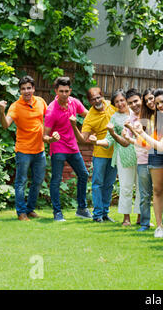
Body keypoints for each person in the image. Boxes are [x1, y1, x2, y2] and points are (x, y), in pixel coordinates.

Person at [129, 88, 163, 238]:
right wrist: (137, 133)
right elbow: (144, 142)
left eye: (161, 102)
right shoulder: (149, 118)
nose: (157, 105)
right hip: (154, 155)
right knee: (155, 191)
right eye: (154, 102)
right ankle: (158, 226)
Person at [0, 75, 47, 221]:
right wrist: (2, 111)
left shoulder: (41, 102)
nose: (26, 91)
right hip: (23, 150)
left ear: (33, 88)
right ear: (20, 91)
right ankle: (21, 212)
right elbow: (5, 125)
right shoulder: (15, 106)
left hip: (40, 150)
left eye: (29, 88)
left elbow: (49, 117)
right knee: (21, 182)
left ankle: (30, 209)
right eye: (23, 89)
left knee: (38, 181)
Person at [43, 76, 91, 222]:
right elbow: (44, 136)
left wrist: (87, 129)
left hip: (73, 147)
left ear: (70, 90)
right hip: (58, 148)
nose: (64, 94)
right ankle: (57, 212)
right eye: (61, 91)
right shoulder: (51, 110)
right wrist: (52, 139)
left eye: (66, 91)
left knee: (83, 174)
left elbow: (89, 115)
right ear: (56, 91)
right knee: (56, 180)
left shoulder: (74, 102)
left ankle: (82, 209)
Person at [69, 87, 117, 223]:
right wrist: (73, 125)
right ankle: (97, 215)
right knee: (97, 184)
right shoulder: (90, 117)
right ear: (89, 101)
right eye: (93, 99)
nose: (97, 101)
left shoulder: (111, 105)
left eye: (98, 97)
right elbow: (83, 139)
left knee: (109, 184)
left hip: (114, 153)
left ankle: (105, 213)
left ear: (102, 96)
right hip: (100, 154)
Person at [94, 89, 140, 226]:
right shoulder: (114, 118)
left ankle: (140, 217)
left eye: (122, 100)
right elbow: (108, 140)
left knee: (141, 187)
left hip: (140, 154)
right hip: (123, 155)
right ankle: (126, 218)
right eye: (116, 102)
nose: (120, 104)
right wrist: (96, 141)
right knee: (126, 187)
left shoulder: (136, 113)